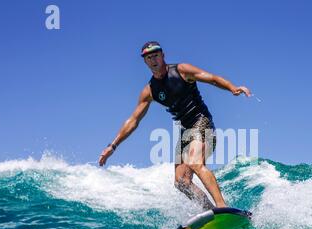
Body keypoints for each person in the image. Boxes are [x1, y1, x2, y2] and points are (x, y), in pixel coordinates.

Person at [98, 41, 251, 210]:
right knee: (181, 182)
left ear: (163, 56)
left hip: (201, 121)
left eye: (156, 55)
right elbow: (134, 120)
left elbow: (212, 78)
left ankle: (222, 206)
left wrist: (232, 88)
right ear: (145, 62)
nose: (153, 60)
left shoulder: (181, 70)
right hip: (185, 131)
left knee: (195, 162)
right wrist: (112, 146)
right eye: (148, 57)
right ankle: (211, 212)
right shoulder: (149, 91)